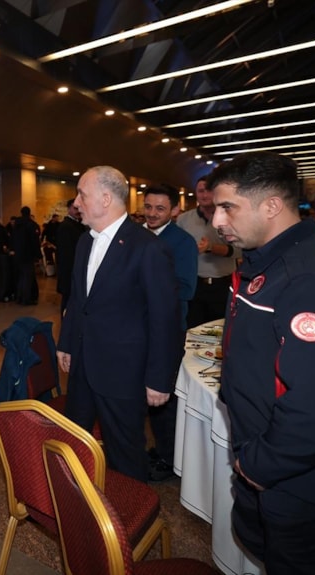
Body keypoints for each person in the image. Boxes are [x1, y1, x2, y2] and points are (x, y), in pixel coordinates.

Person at [209, 151, 315, 575]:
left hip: (299, 480)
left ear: (271, 206)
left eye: (227, 207)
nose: (217, 221)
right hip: (267, 459)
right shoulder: (266, 262)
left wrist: (258, 465)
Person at [56, 166, 181, 482]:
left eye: (82, 194)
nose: (76, 203)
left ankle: (128, 512)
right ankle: (81, 505)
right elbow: (77, 300)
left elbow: (165, 319)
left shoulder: (148, 248)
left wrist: (160, 379)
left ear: (105, 199)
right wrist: (66, 343)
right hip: (83, 365)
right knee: (74, 447)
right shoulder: (85, 242)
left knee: (125, 456)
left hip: (124, 373)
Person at [142, 185, 198, 481]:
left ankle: (169, 458)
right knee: (144, 396)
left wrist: (141, 288)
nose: (152, 214)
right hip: (138, 330)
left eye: (160, 208)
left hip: (167, 330)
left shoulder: (183, 242)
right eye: (148, 207)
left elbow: (186, 288)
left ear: (175, 210)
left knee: (164, 398)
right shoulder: (136, 235)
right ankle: (156, 449)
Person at [177, 176, 236, 328]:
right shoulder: (183, 219)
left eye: (208, 190)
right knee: (192, 329)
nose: (204, 195)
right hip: (194, 285)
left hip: (223, 285)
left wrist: (211, 247)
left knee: (221, 329)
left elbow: (239, 252)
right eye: (200, 191)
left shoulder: (230, 217)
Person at [55, 198, 87, 315]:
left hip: (76, 269)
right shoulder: (66, 226)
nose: (77, 211)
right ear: (68, 209)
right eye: (75, 208)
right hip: (69, 270)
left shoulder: (79, 224)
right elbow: (66, 253)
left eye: (79, 208)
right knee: (67, 300)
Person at [11, 205, 42, 305]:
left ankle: (19, 297)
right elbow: (35, 242)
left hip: (17, 255)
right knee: (27, 277)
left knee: (20, 277)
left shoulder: (16, 225)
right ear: (29, 213)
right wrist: (39, 255)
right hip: (28, 255)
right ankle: (26, 299)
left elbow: (12, 239)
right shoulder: (32, 225)